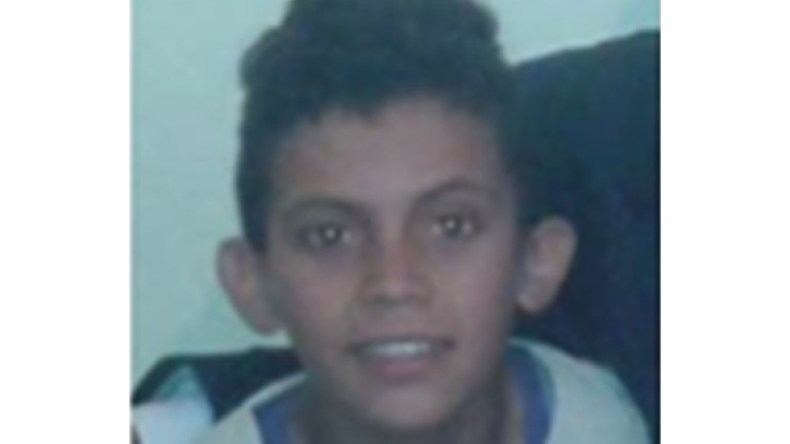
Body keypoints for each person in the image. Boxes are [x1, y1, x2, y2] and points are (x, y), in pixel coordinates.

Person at [138, 0, 650, 442]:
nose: (393, 283)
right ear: (252, 282)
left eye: (452, 227)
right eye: (329, 235)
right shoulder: (619, 106)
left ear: (538, 261)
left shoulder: (608, 412)